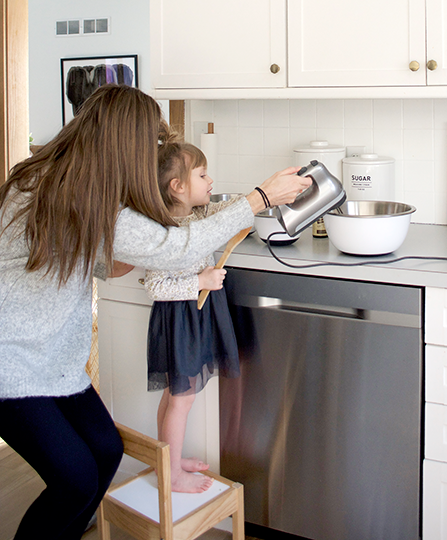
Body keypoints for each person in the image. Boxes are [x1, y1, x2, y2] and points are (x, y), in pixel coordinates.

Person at [0, 84, 310, 539]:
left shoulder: (61, 180)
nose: (154, 152)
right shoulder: (70, 195)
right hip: (12, 362)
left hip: (55, 360)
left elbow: (75, 254)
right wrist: (259, 198)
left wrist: (122, 255)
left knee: (104, 453)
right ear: (124, 144)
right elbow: (174, 246)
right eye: (150, 141)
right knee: (75, 479)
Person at [144, 136, 240, 492]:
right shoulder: (163, 230)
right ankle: (171, 476)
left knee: (174, 397)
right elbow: (156, 287)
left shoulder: (196, 215)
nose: (210, 181)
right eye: (203, 175)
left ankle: (167, 459)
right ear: (178, 186)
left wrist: (256, 201)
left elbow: (226, 211)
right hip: (180, 322)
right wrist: (200, 279)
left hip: (192, 319)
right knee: (180, 401)